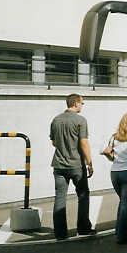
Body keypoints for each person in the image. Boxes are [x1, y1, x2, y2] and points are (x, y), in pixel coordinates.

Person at [49, 93, 94, 240]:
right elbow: (83, 143)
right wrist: (89, 162)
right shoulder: (80, 120)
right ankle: (83, 228)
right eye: (82, 103)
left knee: (60, 198)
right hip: (76, 164)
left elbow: (54, 142)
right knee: (83, 195)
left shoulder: (56, 120)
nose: (82, 105)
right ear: (75, 103)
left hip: (59, 165)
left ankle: (60, 233)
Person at [105, 112, 127, 244]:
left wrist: (115, 158)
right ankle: (122, 236)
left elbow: (108, 153)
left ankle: (119, 232)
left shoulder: (114, 137)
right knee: (125, 205)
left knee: (123, 202)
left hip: (115, 173)